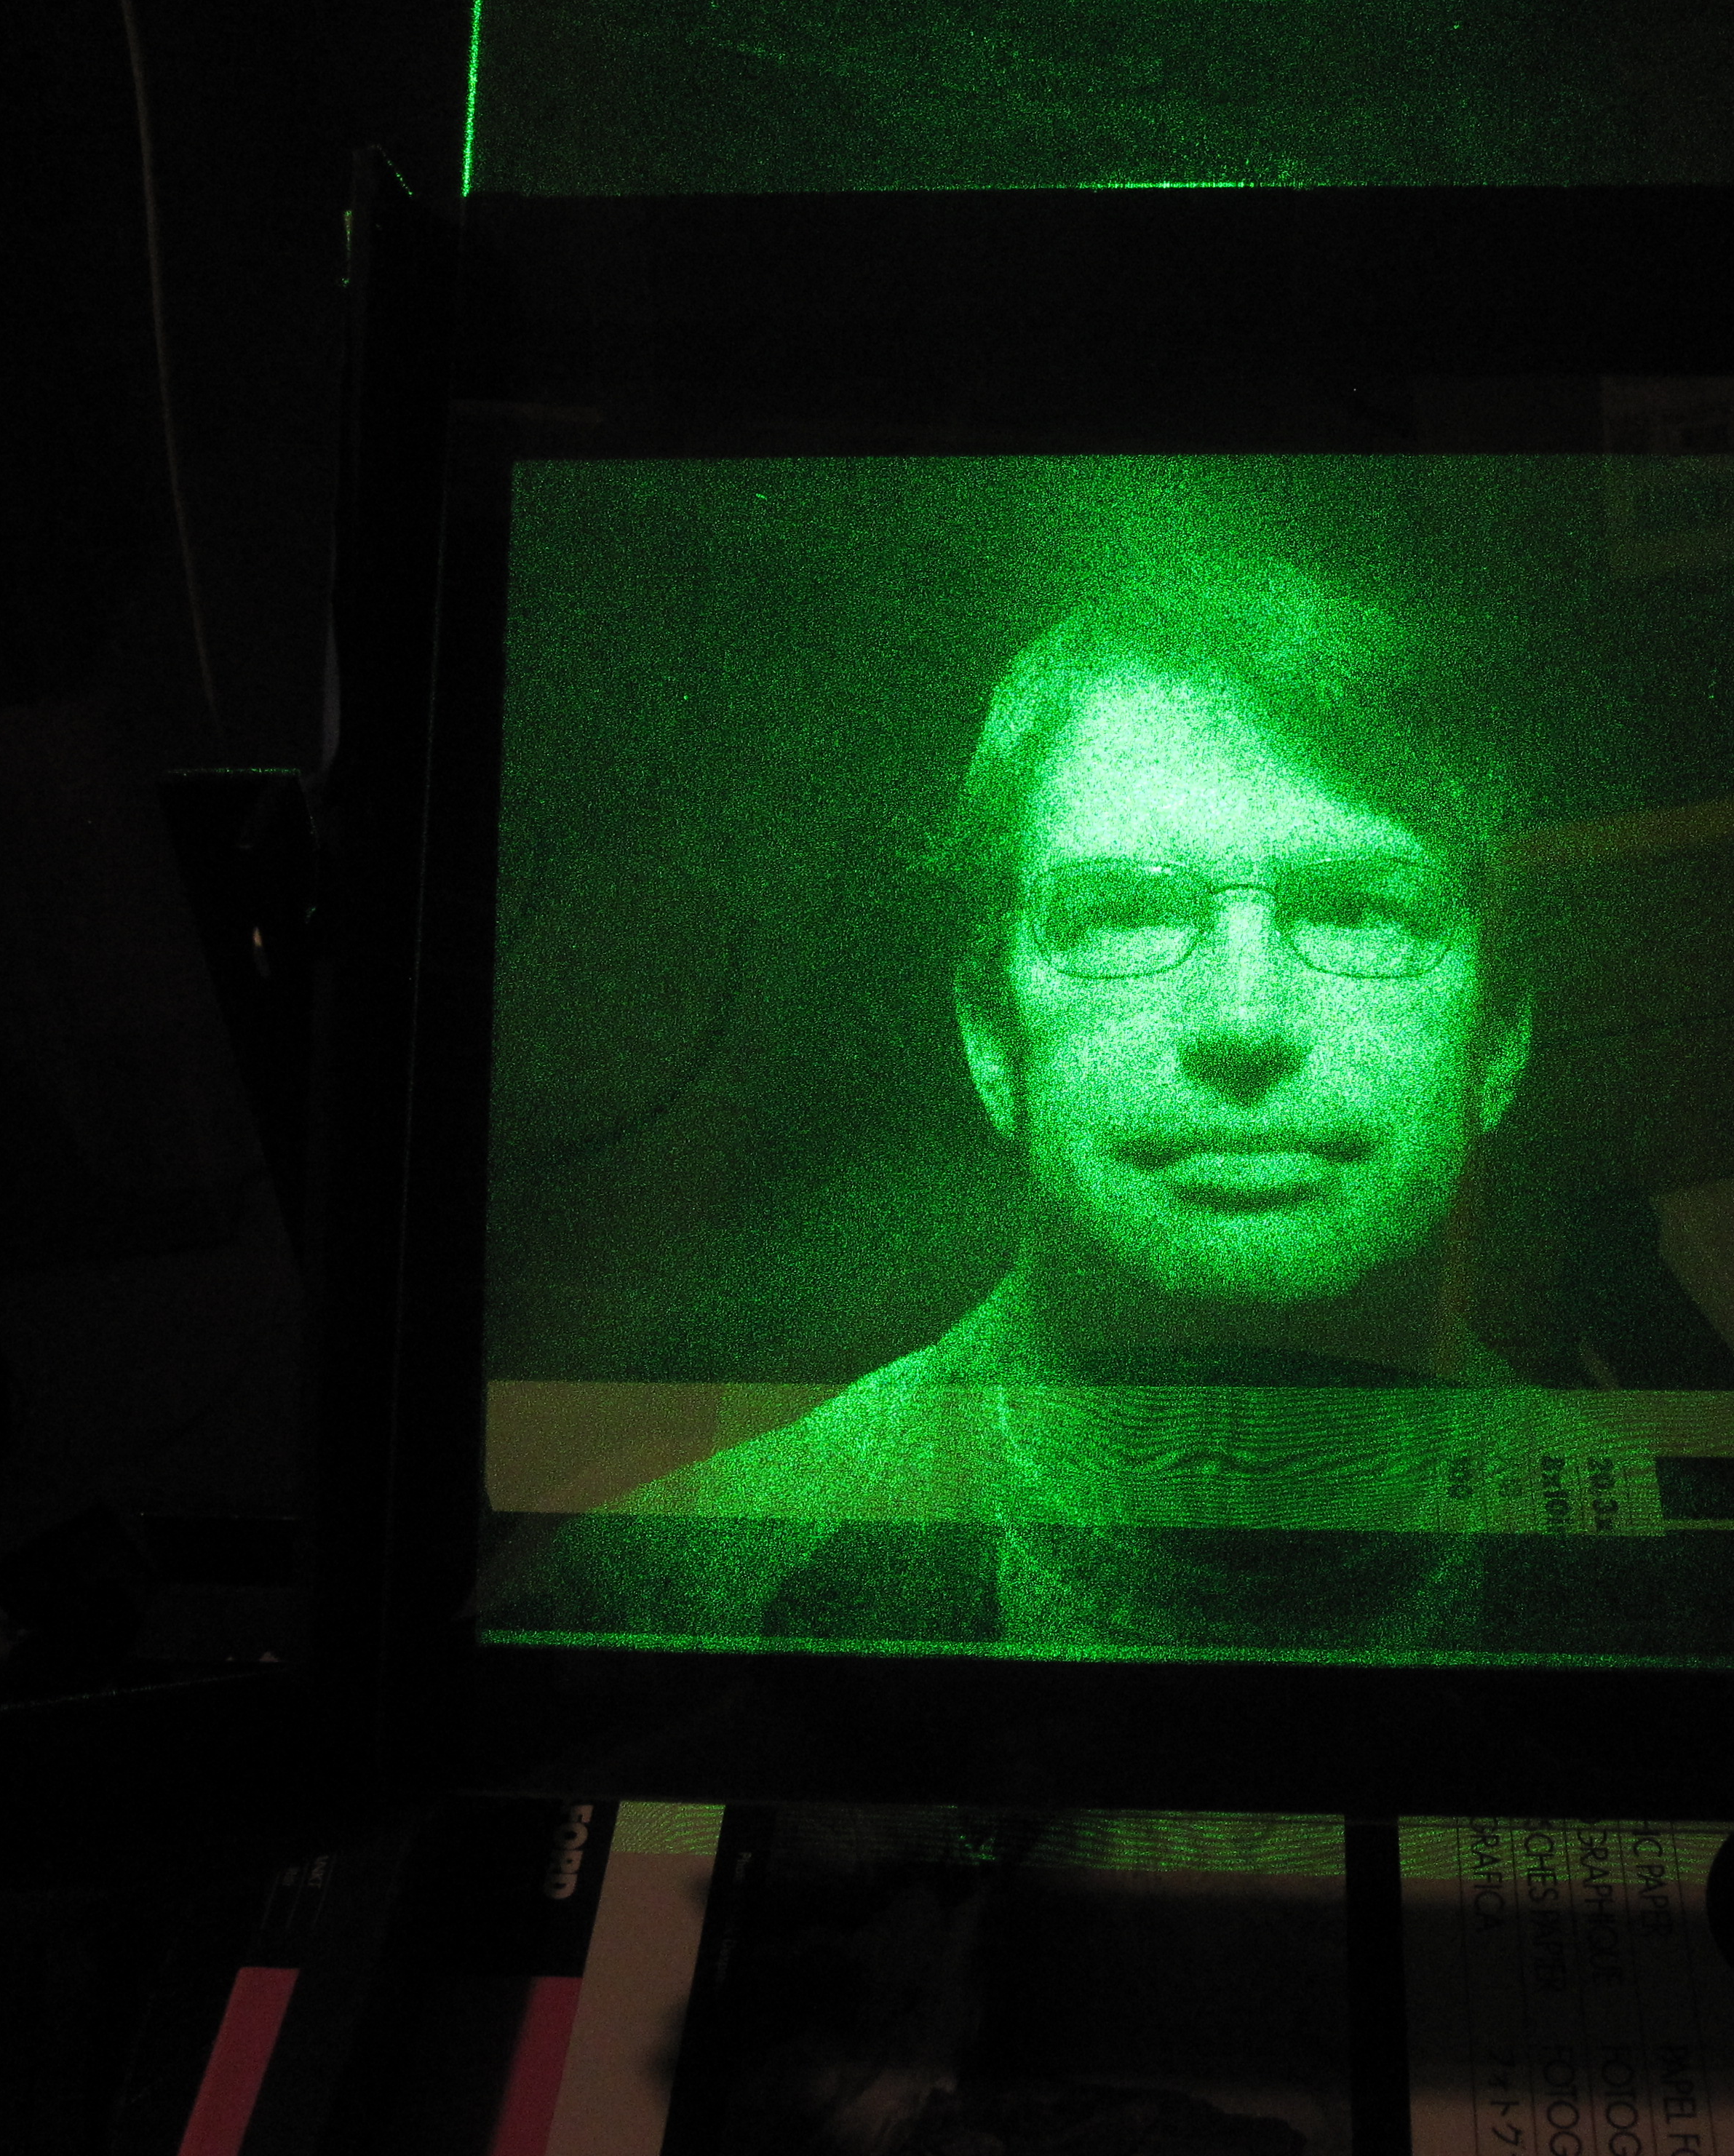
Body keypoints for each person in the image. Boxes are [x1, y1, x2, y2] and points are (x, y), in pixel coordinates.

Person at [506, 554, 1671, 1655]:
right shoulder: (666, 1594)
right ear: (990, 1037)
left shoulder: (1717, 1592)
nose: (1244, 1021)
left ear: (1498, 1039)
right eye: (1120, 914)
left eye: (1362, 911)